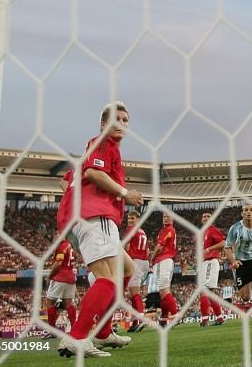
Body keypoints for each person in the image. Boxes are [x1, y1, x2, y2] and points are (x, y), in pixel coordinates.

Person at [55, 101, 142, 358]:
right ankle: (77, 337)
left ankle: (103, 332)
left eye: (126, 120)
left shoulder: (89, 149)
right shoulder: (105, 143)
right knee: (106, 278)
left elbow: (64, 181)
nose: (122, 124)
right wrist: (126, 194)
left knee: (127, 268)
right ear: (104, 124)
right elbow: (94, 173)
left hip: (79, 219)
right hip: (97, 216)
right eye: (117, 119)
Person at [44, 233, 78, 335]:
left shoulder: (62, 246)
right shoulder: (69, 245)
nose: (56, 236)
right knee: (68, 304)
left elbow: (58, 263)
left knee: (50, 303)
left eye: (58, 234)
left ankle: (52, 331)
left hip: (60, 277)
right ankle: (75, 330)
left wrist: (50, 276)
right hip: (70, 277)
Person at [150, 212, 179, 327]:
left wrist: (152, 258)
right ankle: (163, 318)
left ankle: (175, 315)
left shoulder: (167, 230)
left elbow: (160, 246)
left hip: (163, 260)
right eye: (164, 216)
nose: (166, 218)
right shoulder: (170, 230)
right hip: (168, 261)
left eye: (168, 216)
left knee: (164, 291)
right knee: (164, 293)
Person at [199, 211, 227, 326]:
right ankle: (219, 318)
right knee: (209, 293)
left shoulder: (212, 230)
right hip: (205, 263)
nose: (206, 218)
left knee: (204, 291)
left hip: (211, 261)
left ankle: (205, 319)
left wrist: (209, 250)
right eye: (204, 216)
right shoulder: (203, 232)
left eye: (208, 216)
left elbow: (223, 243)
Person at [123, 209, 149, 332]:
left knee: (134, 292)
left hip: (135, 261)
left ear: (138, 220)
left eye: (132, 218)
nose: (130, 221)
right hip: (144, 262)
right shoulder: (142, 231)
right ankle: (135, 322)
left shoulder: (131, 230)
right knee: (134, 293)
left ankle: (142, 318)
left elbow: (126, 246)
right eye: (129, 219)